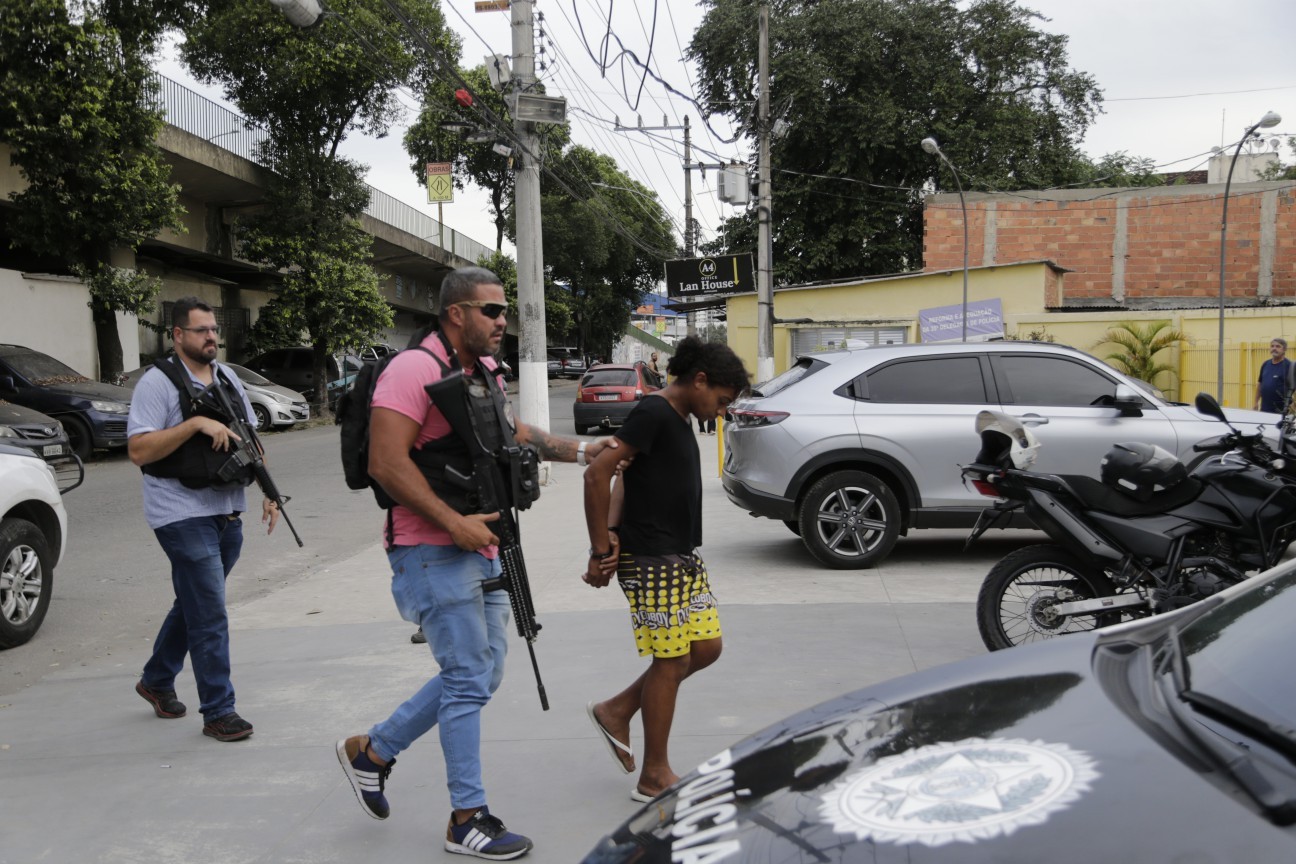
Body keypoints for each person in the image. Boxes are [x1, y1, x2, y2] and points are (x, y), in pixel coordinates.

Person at [335, 266, 618, 860]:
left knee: (481, 675)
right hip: (432, 549)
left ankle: (374, 752)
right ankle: (467, 816)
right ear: (455, 314)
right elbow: (386, 462)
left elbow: (516, 433)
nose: (501, 321)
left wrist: (586, 451)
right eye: (490, 311)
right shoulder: (413, 369)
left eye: (503, 311)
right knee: (467, 676)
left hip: (485, 544)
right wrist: (452, 522)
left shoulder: (483, 373)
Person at [581, 335, 749, 802]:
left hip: (678, 555)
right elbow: (598, 473)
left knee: (706, 647)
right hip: (652, 559)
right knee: (671, 659)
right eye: (720, 400)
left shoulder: (674, 418)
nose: (720, 411)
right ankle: (654, 773)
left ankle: (617, 710)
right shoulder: (654, 412)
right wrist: (601, 546)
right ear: (699, 380)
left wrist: (612, 529)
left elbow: (626, 477)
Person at [127, 297, 279, 743]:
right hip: (179, 512)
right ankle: (219, 711)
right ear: (177, 335)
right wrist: (194, 426)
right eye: (201, 330)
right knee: (210, 612)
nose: (212, 337)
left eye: (214, 329)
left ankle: (155, 680)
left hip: (228, 512)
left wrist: (270, 492)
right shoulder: (157, 383)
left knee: (194, 603)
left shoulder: (227, 376)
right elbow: (138, 451)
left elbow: (249, 438)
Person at [1255, 337, 1293, 414]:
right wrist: (1256, 402)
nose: (1274, 348)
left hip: (1282, 411)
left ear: (1284, 349)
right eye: (1272, 346)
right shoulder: (1265, 364)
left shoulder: (1290, 366)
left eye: (1278, 346)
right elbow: (1260, 384)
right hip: (1265, 409)